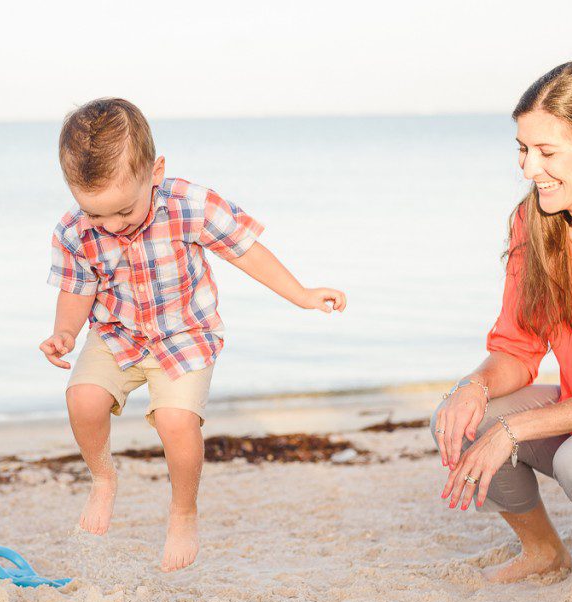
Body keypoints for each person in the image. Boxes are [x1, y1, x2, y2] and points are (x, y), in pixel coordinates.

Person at [39, 98, 347, 572]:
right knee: (81, 398)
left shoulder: (191, 205)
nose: (112, 226)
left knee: (175, 422)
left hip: (185, 333)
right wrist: (63, 333)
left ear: (155, 172)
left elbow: (247, 252)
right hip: (116, 332)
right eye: (97, 215)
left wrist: (301, 294)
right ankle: (103, 478)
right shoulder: (74, 231)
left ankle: (183, 511)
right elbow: (76, 290)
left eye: (123, 211)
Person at [434, 60, 572, 582]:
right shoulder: (531, 223)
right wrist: (474, 387)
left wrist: (518, 427)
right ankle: (544, 552)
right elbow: (517, 345)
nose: (529, 169)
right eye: (523, 149)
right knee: (463, 420)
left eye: (547, 152)